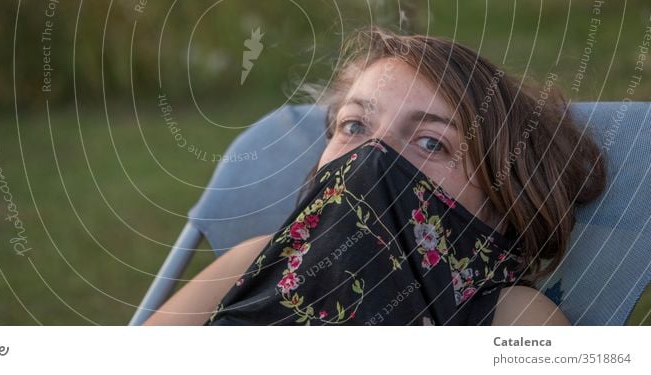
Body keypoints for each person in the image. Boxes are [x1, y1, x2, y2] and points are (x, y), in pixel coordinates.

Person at [142, 26, 606, 325]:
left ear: (503, 199)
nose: (373, 156)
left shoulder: (508, 317)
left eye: (430, 142)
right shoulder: (255, 264)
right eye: (355, 126)